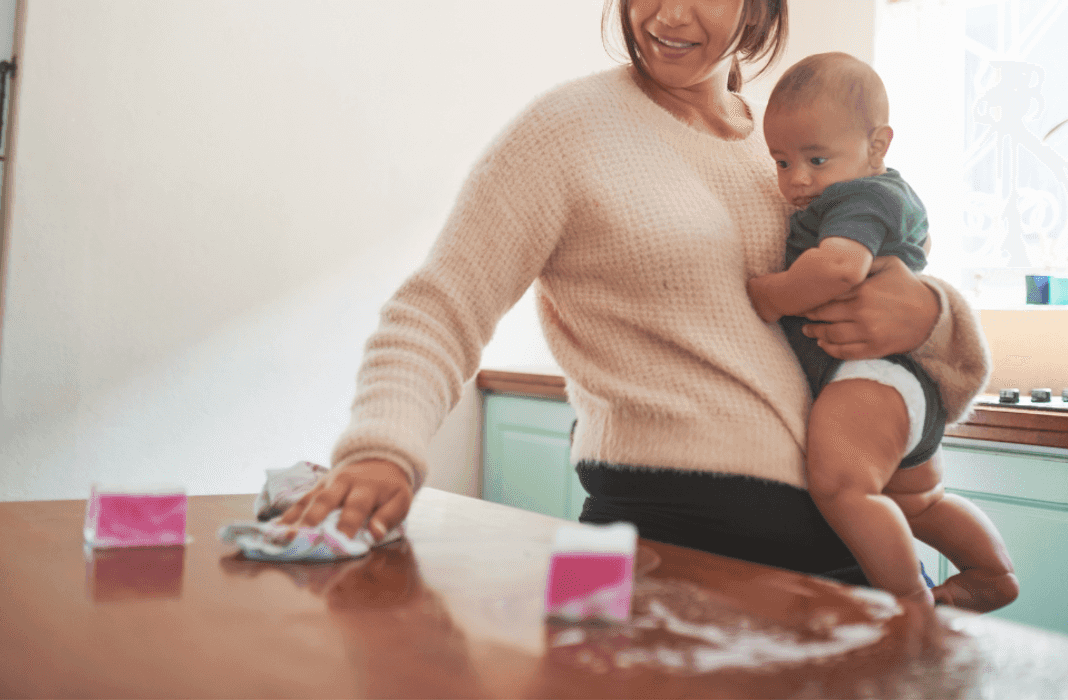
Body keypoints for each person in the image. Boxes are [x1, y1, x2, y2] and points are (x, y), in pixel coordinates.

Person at [278, 0, 991, 592]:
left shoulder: (788, 150)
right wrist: (381, 451)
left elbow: (887, 305)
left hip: (851, 556)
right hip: (663, 553)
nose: (668, 13)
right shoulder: (566, 131)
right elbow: (440, 307)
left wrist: (932, 313)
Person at [745, 52, 1018, 610]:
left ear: (877, 146)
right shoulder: (869, 191)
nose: (796, 180)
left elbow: (840, 267)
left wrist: (767, 295)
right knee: (919, 502)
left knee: (841, 487)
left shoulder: (860, 198)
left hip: (871, 377)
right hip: (902, 385)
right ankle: (989, 573)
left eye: (816, 159)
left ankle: (908, 603)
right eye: (780, 162)